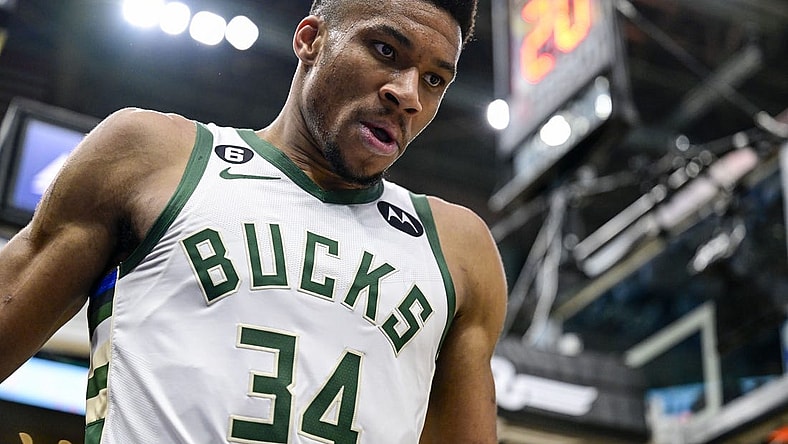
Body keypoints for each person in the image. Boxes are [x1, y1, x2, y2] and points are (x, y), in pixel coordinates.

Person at [0, 0, 507, 442]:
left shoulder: (459, 249)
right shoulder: (153, 157)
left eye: (434, 79)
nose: (408, 94)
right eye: (385, 51)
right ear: (311, 39)